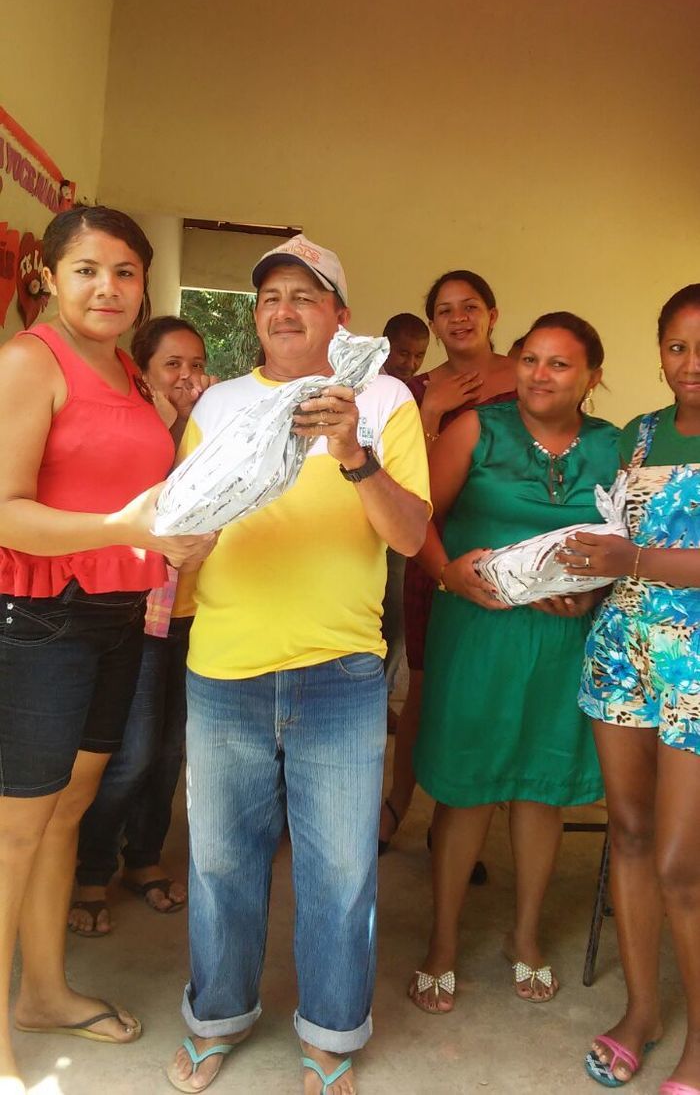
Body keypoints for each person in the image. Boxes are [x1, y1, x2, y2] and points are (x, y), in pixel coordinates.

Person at [166, 234, 430, 1095]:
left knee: (342, 868)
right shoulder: (217, 404)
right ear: (257, 315)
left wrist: (354, 453)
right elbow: (183, 536)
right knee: (219, 860)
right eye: (272, 296)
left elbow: (411, 535)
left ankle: (330, 1034)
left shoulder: (384, 398)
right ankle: (216, 1018)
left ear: (339, 318)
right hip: (228, 666)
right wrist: (178, 554)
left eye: (305, 296)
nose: (284, 309)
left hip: (340, 672)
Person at [0, 206, 215, 1095]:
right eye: (88, 269)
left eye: (125, 273)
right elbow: (5, 508)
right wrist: (117, 527)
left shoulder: (129, 371)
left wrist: (171, 538)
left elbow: (143, 501)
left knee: (67, 810)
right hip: (41, 615)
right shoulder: (26, 362)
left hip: (120, 612)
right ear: (48, 275)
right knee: (15, 829)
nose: (108, 288)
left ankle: (44, 992)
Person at [408, 312, 620, 1013]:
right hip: (479, 629)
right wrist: (446, 575)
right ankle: (442, 941)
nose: (539, 374)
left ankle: (524, 936)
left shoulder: (613, 448)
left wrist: (593, 598)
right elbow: (416, 521)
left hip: (563, 642)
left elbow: (629, 545)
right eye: (530, 359)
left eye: (559, 364)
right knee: (467, 786)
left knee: (540, 785)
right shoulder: (479, 428)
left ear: (592, 376)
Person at [570, 285, 700, 1092]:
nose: (692, 364)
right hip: (621, 649)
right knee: (628, 829)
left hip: (697, 663)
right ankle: (643, 1011)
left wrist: (634, 564)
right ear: (659, 351)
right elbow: (615, 536)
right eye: (679, 346)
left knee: (684, 860)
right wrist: (570, 573)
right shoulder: (639, 434)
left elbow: (638, 555)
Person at [69, 316, 214, 936]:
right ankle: (90, 870)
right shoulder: (135, 432)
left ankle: (145, 860)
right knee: (129, 754)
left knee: (170, 751)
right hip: (143, 612)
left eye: (195, 364)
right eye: (171, 366)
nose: (187, 377)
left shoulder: (217, 430)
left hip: (201, 617)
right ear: (144, 373)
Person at [378, 270, 516, 854]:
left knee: (487, 690)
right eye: (444, 310)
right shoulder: (413, 389)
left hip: (509, 549)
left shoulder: (527, 374)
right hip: (431, 546)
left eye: (470, 306)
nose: (458, 318)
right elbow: (397, 481)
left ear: (492, 314)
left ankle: (456, 828)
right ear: (432, 323)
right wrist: (430, 413)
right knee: (426, 688)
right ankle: (396, 805)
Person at [380, 313, 430, 720]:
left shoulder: (421, 391)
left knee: (395, 615)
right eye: (402, 352)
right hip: (359, 515)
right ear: (385, 345)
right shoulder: (366, 387)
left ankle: (381, 695)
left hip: (402, 516)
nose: (409, 363)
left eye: (418, 355)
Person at [382, 313, 430, 384]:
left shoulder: (422, 389)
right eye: (403, 354)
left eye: (418, 356)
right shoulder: (364, 385)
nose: (410, 365)